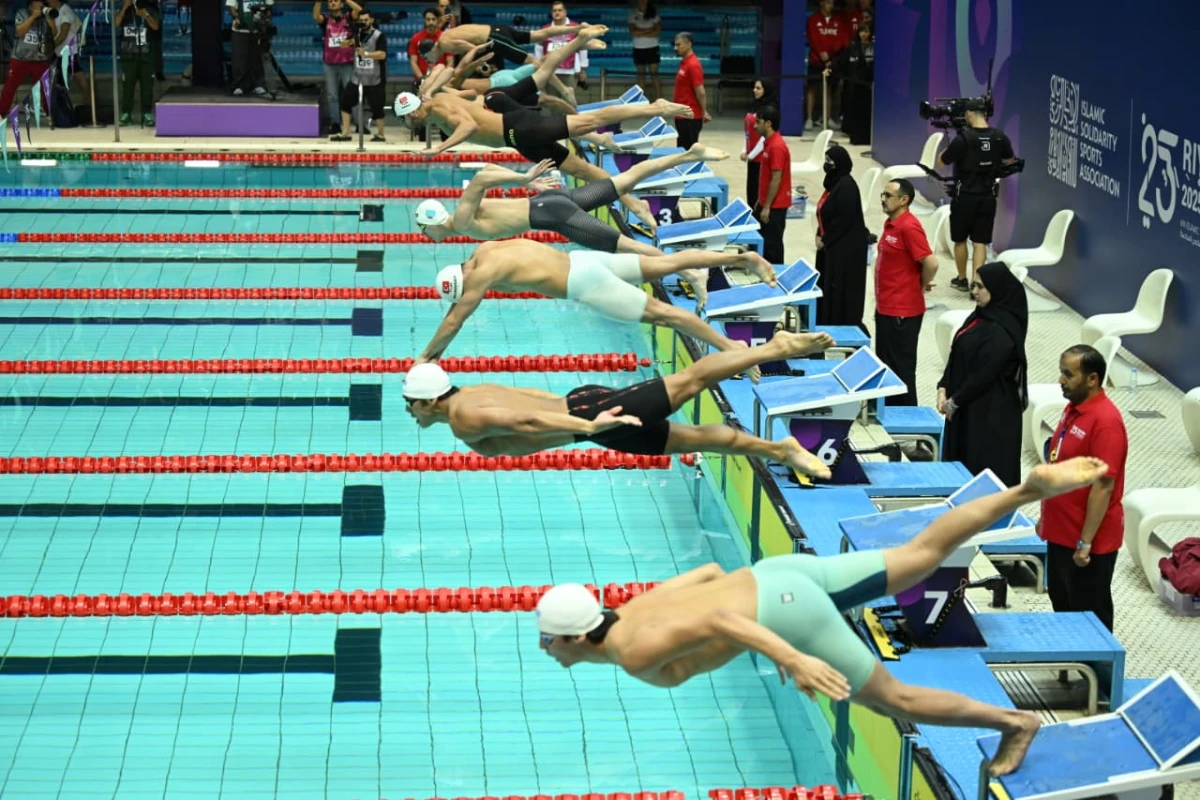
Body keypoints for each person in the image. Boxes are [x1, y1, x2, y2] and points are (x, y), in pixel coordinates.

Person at [536, 458, 1113, 776]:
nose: (546, 650)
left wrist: (792, 657)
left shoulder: (632, 651)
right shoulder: (631, 610)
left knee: (897, 701)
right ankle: (1022, 492)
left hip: (787, 612)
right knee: (921, 555)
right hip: (778, 576)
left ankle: (1016, 723)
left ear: (577, 636)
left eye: (548, 641)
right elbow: (711, 573)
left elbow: (720, 624)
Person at [403, 329, 835, 479]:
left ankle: (774, 348)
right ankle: (780, 450)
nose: (410, 412)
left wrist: (590, 424)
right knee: (695, 439)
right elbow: (532, 396)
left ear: (429, 401)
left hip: (592, 420)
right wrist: (582, 416)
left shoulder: (462, 418)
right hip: (584, 411)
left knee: (690, 380)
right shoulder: (471, 392)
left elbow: (528, 420)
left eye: (411, 404)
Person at [393, 56, 689, 231]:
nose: (409, 124)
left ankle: (655, 107)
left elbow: (468, 125)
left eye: (407, 118)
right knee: (584, 172)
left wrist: (439, 149)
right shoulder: (432, 101)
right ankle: (634, 203)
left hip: (521, 127)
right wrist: (433, 89)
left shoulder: (440, 108)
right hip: (518, 141)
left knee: (591, 120)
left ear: (414, 111)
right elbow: (445, 72)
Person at [416, 238, 778, 366]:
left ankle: (732, 348)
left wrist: (425, 356)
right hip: (583, 260)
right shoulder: (484, 251)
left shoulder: (481, 275)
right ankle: (742, 258)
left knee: (667, 316)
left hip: (585, 283)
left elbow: (454, 321)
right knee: (669, 263)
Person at [413, 144, 728, 258]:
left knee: (628, 247)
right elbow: (488, 172)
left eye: (424, 231)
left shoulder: (463, 220)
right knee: (626, 180)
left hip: (553, 213)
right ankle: (689, 155)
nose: (426, 236)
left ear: (433, 224)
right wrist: (525, 181)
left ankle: (690, 272)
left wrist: (524, 178)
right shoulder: (464, 213)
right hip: (550, 200)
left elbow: (482, 177)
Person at [1038, 344, 1128, 633]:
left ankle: (1095, 664)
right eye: (1061, 372)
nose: (1061, 380)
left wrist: (1085, 542)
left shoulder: (1106, 423)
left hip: (1086, 542)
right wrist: (1046, 518)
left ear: (1092, 379)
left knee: (1089, 619)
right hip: (1061, 531)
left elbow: (1103, 487)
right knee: (1062, 605)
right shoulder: (1073, 409)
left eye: (1068, 374)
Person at [936, 262, 1028, 487]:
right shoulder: (980, 316)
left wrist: (954, 402)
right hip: (965, 406)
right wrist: (943, 386)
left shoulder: (1003, 330)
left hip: (989, 416)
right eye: (973, 285)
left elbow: (984, 374)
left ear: (996, 289)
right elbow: (956, 352)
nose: (974, 291)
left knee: (980, 476)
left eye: (980, 287)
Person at [936, 98, 1017, 291]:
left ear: (969, 113)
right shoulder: (999, 137)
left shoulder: (963, 139)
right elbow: (1010, 160)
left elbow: (941, 162)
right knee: (980, 241)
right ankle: (977, 283)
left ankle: (962, 279)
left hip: (964, 196)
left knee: (960, 239)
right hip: (988, 196)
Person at [873, 179, 938, 406]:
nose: (883, 199)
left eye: (888, 196)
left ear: (904, 200)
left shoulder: (909, 227)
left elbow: (931, 263)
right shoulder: (891, 223)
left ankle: (906, 415)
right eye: (883, 194)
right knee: (886, 365)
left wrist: (921, 284)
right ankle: (887, 411)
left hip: (902, 311)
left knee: (901, 369)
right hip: (886, 307)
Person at [814, 144, 868, 330]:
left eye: (830, 161)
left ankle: (840, 327)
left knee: (841, 290)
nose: (827, 164)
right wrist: (819, 234)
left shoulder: (846, 187)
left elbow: (843, 220)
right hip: (832, 243)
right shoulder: (833, 183)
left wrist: (825, 240)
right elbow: (825, 213)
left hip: (845, 248)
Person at [329, 8, 386, 142]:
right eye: (361, 20)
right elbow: (343, 45)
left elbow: (382, 54)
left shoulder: (379, 36)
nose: (364, 22)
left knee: (377, 107)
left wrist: (366, 54)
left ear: (371, 20)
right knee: (345, 102)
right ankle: (345, 132)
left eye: (366, 20)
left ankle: (380, 134)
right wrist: (351, 37)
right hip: (357, 78)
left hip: (374, 78)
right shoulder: (357, 34)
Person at [0, 0, 58, 117]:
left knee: (45, 88)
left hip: (41, 59)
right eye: (37, 2)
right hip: (20, 58)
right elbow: (20, 32)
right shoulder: (22, 13)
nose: (40, 4)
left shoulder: (46, 14)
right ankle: (1, 113)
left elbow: (54, 33)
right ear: (30, 4)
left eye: (42, 2)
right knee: (10, 87)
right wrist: (33, 17)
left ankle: (49, 114)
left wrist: (50, 19)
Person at [751, 105, 791, 267]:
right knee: (763, 243)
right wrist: (760, 201)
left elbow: (776, 178)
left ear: (768, 124)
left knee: (772, 247)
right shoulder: (768, 143)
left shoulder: (777, 147)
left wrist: (767, 206)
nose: (754, 126)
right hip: (766, 203)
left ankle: (776, 276)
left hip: (775, 206)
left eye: (758, 122)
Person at [314, 0, 360, 135]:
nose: (332, 3)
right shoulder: (326, 20)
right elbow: (316, 16)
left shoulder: (348, 18)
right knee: (332, 96)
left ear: (341, 4)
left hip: (347, 62)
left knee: (351, 93)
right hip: (330, 63)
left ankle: (359, 123)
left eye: (335, 1)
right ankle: (335, 124)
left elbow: (359, 10)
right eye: (330, 1)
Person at [824, 20, 873, 146]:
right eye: (861, 31)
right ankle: (855, 136)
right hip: (853, 88)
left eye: (866, 31)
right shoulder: (852, 48)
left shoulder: (874, 48)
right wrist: (830, 69)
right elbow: (840, 63)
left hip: (869, 89)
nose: (863, 34)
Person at [115, 0, 161, 127]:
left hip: (146, 55)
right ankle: (126, 113)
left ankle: (146, 113)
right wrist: (124, 7)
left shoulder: (151, 8)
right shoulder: (125, 10)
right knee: (127, 86)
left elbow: (156, 26)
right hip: (128, 55)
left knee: (147, 86)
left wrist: (146, 15)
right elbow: (116, 23)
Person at [533, 2, 588, 103]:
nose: (557, 13)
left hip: (569, 72)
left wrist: (583, 70)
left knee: (569, 102)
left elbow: (583, 49)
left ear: (565, 12)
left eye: (559, 10)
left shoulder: (575, 28)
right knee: (553, 102)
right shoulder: (545, 29)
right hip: (550, 72)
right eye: (554, 11)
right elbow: (538, 48)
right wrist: (538, 68)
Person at [805, 0, 847, 129]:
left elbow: (840, 40)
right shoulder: (813, 19)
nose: (831, 5)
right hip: (815, 60)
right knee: (812, 88)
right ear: (821, 3)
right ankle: (809, 119)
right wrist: (822, 54)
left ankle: (827, 118)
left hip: (831, 61)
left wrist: (830, 55)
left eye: (832, 3)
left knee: (828, 89)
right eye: (828, 2)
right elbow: (813, 39)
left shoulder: (838, 20)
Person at [741, 78, 777, 208]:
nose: (754, 90)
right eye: (754, 88)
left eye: (758, 88)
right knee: (751, 191)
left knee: (758, 192)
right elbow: (748, 132)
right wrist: (744, 150)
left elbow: (764, 138)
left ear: (766, 90)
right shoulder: (755, 106)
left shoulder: (770, 110)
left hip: (761, 158)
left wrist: (751, 155)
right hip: (752, 157)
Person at [226, 0, 272, 97]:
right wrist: (237, 17)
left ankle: (258, 85)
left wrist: (266, 19)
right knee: (239, 58)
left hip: (257, 30)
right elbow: (231, 5)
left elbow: (269, 6)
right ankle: (238, 85)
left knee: (257, 58)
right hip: (240, 30)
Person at [671, 32, 708, 149]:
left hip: (690, 116)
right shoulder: (684, 63)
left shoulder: (693, 65)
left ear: (689, 44)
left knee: (688, 150)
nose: (675, 48)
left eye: (678, 45)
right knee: (682, 148)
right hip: (682, 114)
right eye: (675, 45)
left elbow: (700, 92)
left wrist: (703, 112)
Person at [408, 7, 448, 91]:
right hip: (421, 83)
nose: (431, 22)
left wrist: (443, 79)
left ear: (438, 20)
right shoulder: (416, 38)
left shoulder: (445, 37)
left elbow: (450, 62)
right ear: (424, 20)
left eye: (433, 19)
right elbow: (413, 62)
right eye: (428, 19)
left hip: (441, 83)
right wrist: (422, 79)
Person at [627, 0, 661, 100]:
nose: (643, 2)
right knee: (640, 75)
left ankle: (659, 99)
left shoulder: (654, 15)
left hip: (652, 47)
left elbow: (657, 32)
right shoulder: (633, 15)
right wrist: (650, 30)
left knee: (654, 74)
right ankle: (641, 101)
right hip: (638, 48)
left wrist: (640, 31)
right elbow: (633, 32)